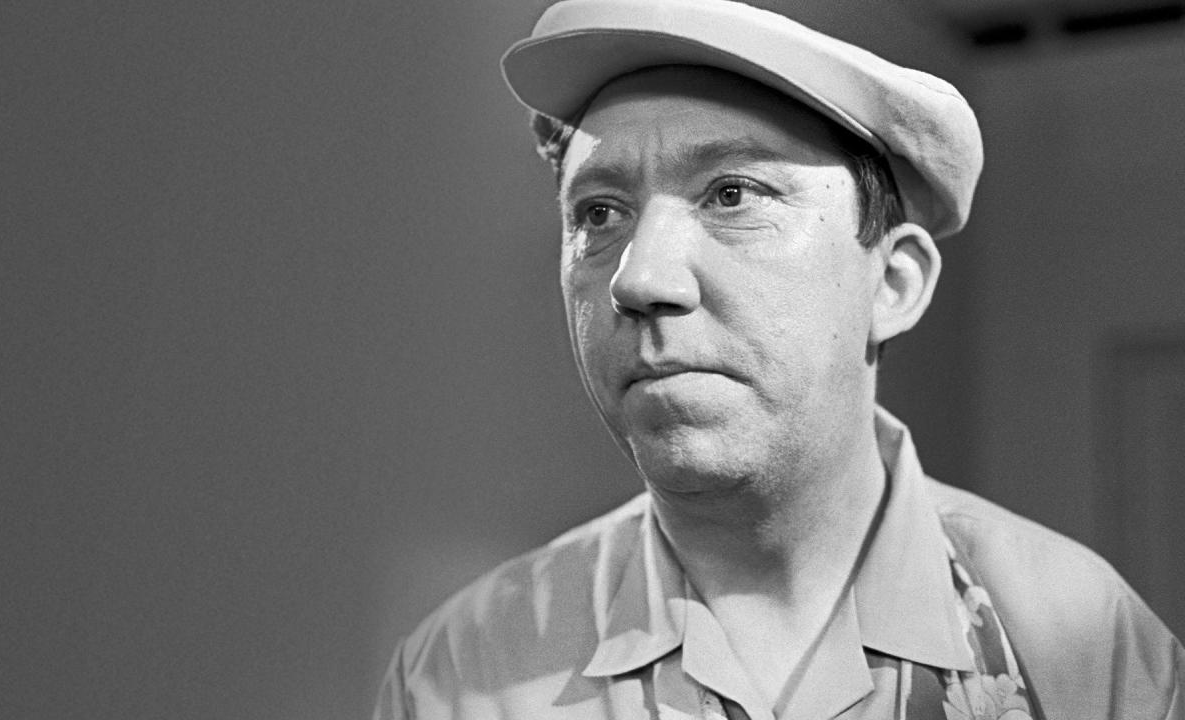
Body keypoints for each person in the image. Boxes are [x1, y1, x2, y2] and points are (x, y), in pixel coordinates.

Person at [374, 0, 1184, 717]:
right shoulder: (465, 674)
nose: (640, 278)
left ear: (893, 283)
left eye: (732, 194)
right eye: (599, 214)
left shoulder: (1084, 648)